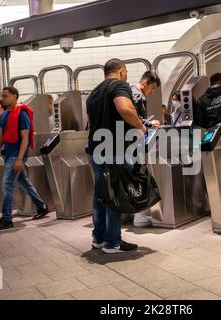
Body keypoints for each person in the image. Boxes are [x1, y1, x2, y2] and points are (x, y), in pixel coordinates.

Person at [86, 58, 146, 254]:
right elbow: (125, 108)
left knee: (101, 194)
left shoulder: (93, 93)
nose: (126, 76)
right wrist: (140, 126)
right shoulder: (119, 85)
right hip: (115, 148)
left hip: (96, 148)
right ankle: (113, 243)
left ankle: (98, 239)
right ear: (121, 71)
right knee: (114, 193)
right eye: (126, 72)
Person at [0, 87, 49, 231]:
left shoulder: (22, 114)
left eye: (5, 96)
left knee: (7, 183)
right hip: (9, 154)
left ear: (14, 96)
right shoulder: (3, 116)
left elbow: (25, 138)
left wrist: (20, 159)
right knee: (23, 181)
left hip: (17, 155)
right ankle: (42, 206)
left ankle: (6, 219)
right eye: (1, 96)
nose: (2, 99)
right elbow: (0, 138)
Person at [130, 71, 161, 227]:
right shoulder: (138, 95)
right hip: (134, 142)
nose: (152, 91)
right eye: (153, 88)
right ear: (145, 83)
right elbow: (134, 117)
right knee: (140, 176)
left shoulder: (129, 92)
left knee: (134, 177)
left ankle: (136, 214)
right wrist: (149, 124)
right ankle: (140, 216)